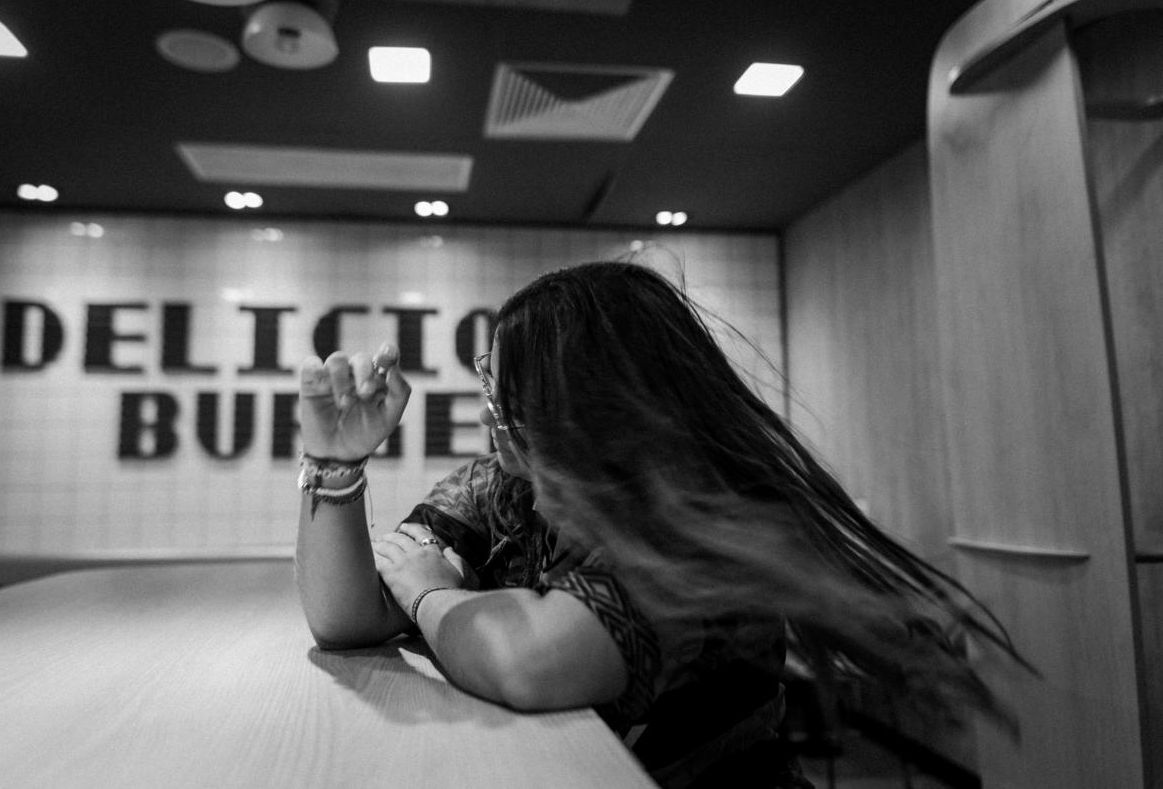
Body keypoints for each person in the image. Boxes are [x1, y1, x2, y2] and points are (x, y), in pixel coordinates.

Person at [294, 260, 1028, 789]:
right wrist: (335, 465)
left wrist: (430, 592)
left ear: (583, 401)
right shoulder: (502, 486)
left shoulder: (692, 523)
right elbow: (347, 618)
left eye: (507, 385)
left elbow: (534, 660)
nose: (492, 403)